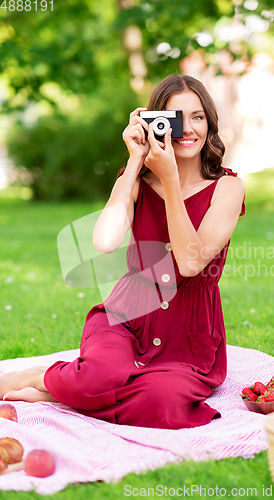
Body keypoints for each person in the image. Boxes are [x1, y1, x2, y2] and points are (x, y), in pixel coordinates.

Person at [0, 74, 245, 429]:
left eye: (198, 117)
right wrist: (135, 162)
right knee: (103, 373)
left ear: (209, 121)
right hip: (125, 318)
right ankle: (69, 381)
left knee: (166, 402)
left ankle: (55, 387)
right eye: (176, 119)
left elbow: (190, 262)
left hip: (188, 336)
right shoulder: (134, 182)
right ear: (154, 123)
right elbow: (104, 241)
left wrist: (171, 180)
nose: (188, 129)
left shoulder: (227, 187)